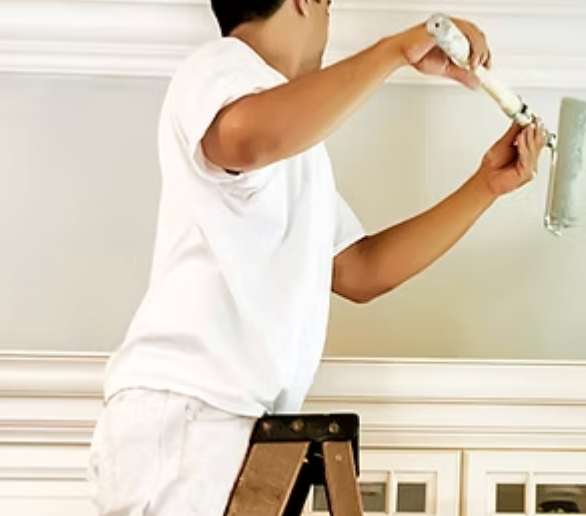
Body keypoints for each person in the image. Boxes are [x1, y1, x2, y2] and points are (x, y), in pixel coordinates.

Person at [87, 0, 547, 515]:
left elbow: (361, 270)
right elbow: (246, 136)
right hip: (188, 410)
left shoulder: (295, 154)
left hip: (226, 419)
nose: (330, 25)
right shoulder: (218, 67)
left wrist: (484, 186)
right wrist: (394, 49)